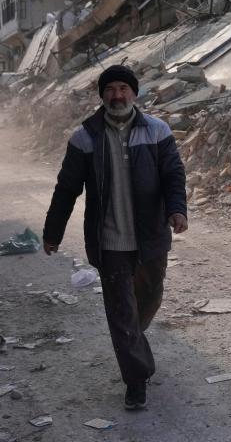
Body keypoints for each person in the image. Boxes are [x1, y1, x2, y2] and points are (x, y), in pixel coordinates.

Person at [42, 65, 187, 411]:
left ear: (134, 93)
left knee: (148, 299)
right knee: (121, 312)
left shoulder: (156, 131)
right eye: (111, 89)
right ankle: (136, 380)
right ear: (102, 95)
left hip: (150, 236)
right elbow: (66, 189)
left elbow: (173, 173)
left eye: (124, 88)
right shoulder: (85, 138)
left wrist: (177, 209)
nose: (117, 95)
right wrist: (53, 232)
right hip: (109, 241)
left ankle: (132, 345)